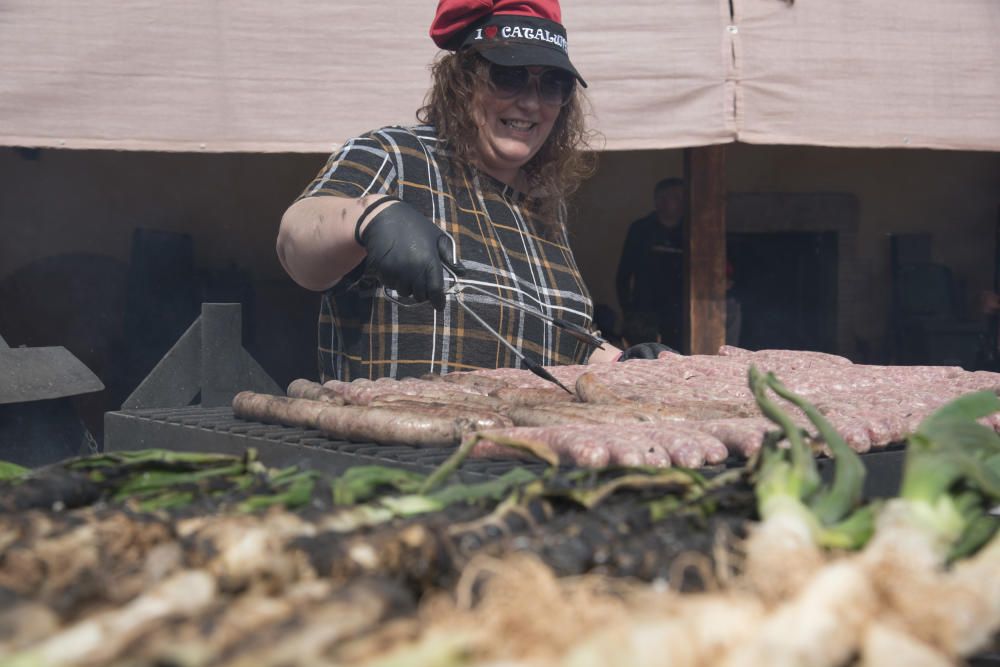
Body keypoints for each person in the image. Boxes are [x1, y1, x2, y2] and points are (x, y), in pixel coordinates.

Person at [277, 0, 669, 382]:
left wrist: (619, 363)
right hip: (399, 443)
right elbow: (296, 244)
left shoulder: (545, 206)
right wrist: (368, 215)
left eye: (553, 83)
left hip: (517, 444)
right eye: (508, 75)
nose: (531, 102)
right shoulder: (396, 154)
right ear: (463, 82)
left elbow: (552, 339)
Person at [615, 178, 686, 351]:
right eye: (672, 197)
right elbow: (623, 274)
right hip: (646, 313)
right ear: (658, 201)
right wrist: (628, 311)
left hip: (680, 312)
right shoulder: (641, 230)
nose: (678, 202)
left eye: (679, 197)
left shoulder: (692, 229)